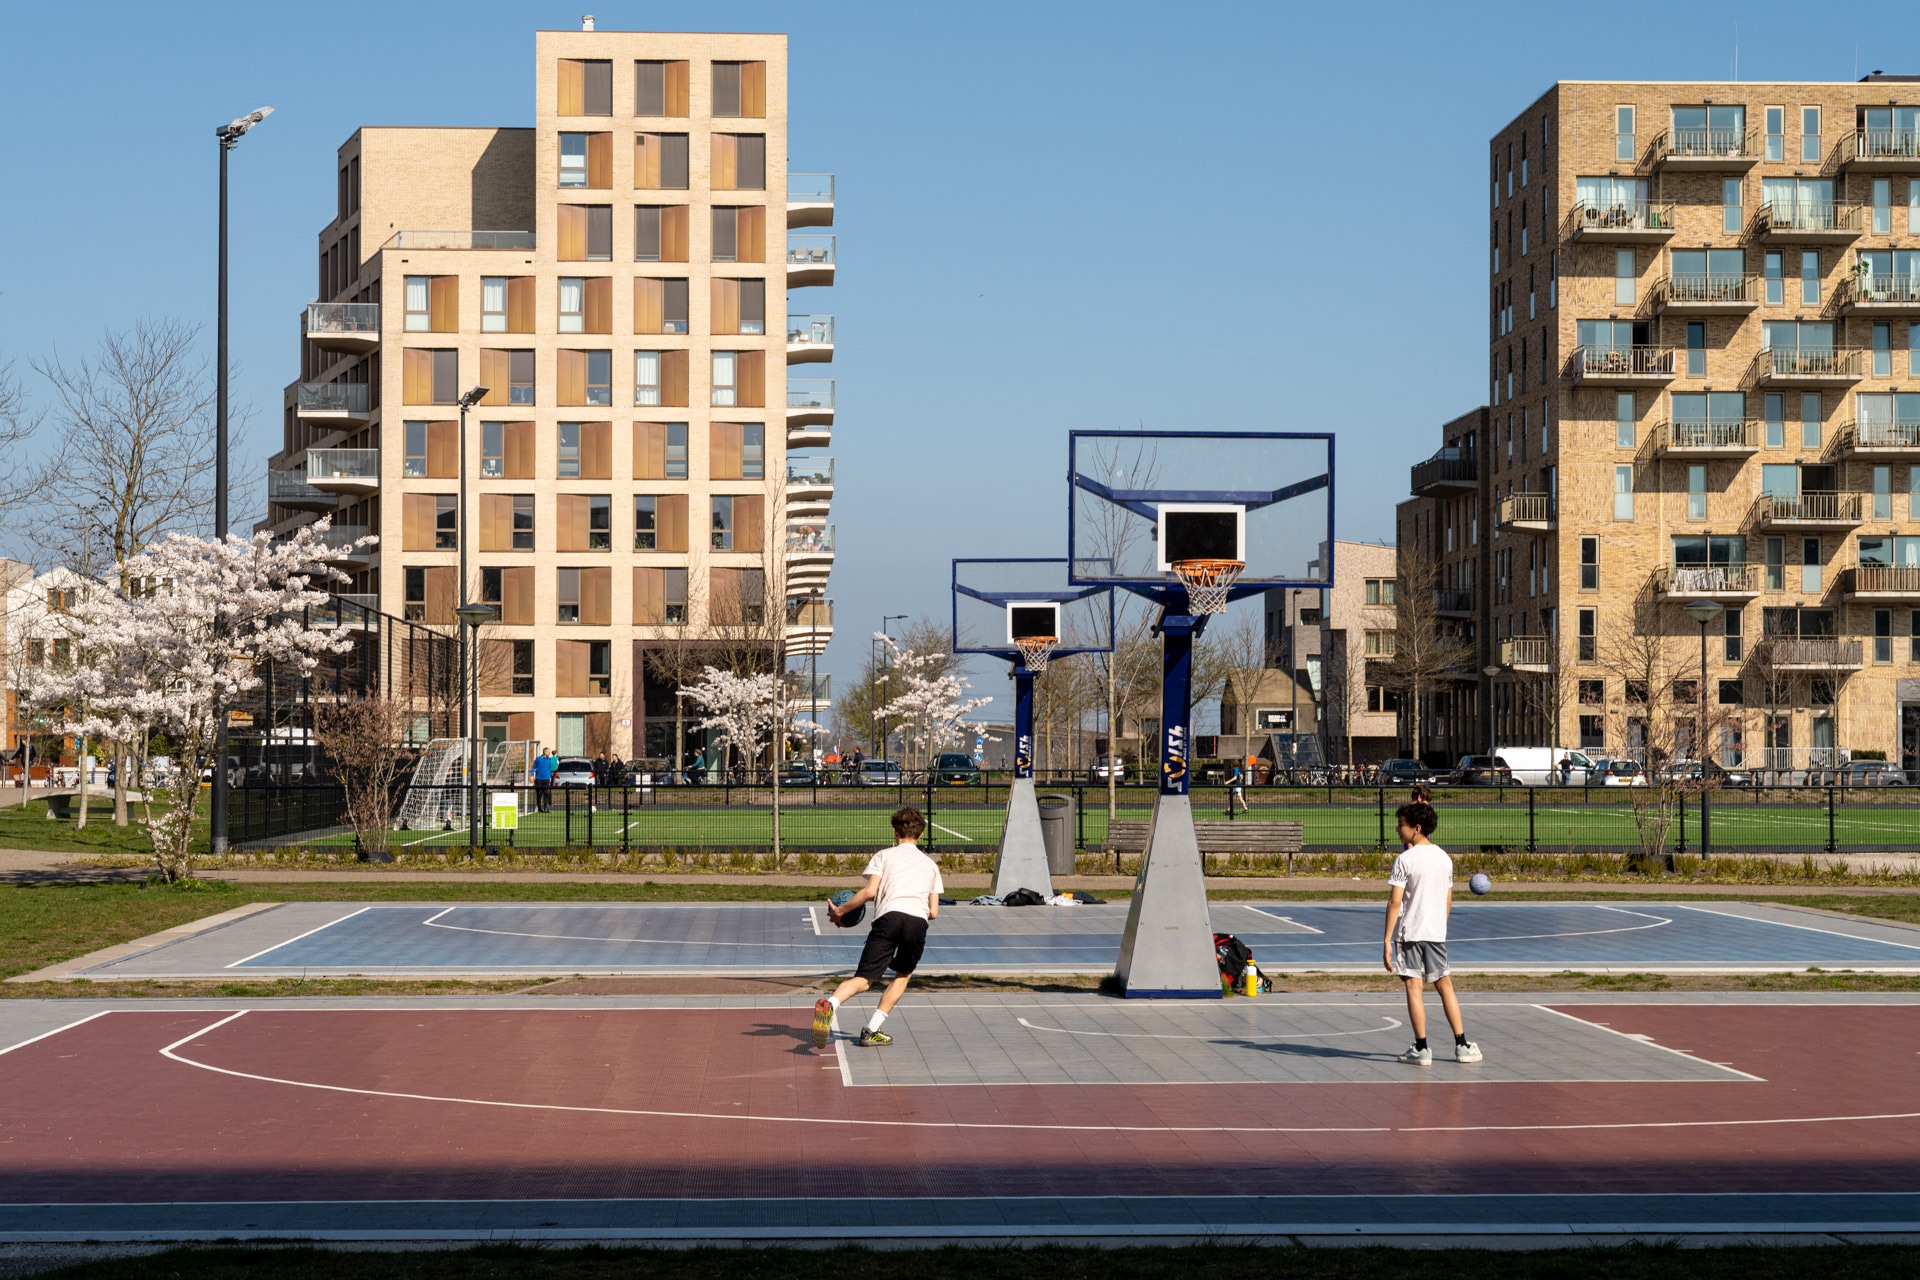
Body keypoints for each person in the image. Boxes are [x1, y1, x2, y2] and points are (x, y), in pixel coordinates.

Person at [813, 806, 944, 1049]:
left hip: (888, 918)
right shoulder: (930, 865)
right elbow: (934, 912)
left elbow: (870, 892)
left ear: (895, 832)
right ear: (921, 835)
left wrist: (840, 911)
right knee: (903, 975)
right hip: (917, 921)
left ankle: (830, 1004)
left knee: (863, 979)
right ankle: (871, 1029)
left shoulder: (884, 856)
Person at [1383, 800, 1481, 1067]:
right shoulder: (1444, 858)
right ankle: (1462, 1045)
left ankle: (1422, 1048)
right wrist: (1439, 924)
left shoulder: (1405, 859)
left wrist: (1387, 941)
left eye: (1400, 824)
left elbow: (1395, 902)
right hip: (1436, 933)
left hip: (1410, 932)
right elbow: (1448, 900)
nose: (1396, 829)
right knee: (1444, 985)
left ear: (1416, 828)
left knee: (1414, 988)